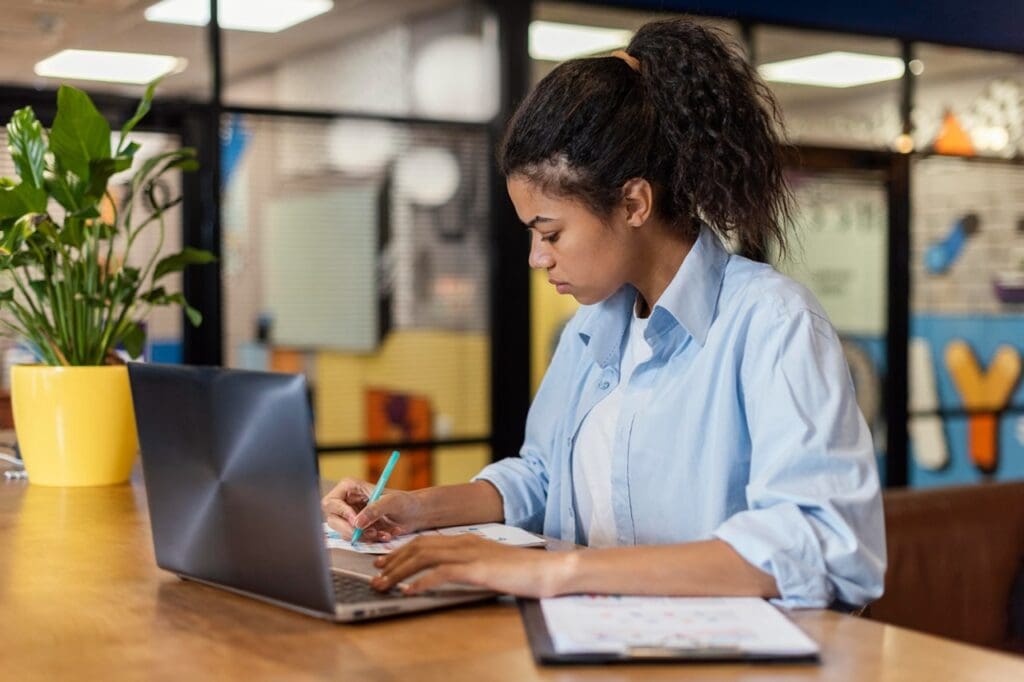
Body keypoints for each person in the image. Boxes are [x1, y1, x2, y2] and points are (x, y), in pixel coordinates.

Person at [322, 18, 885, 608]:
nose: (538, 258)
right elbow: (541, 475)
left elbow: (821, 544)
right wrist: (417, 509)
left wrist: (560, 572)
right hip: (596, 641)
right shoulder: (590, 329)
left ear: (635, 202)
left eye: (551, 233)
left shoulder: (773, 323)